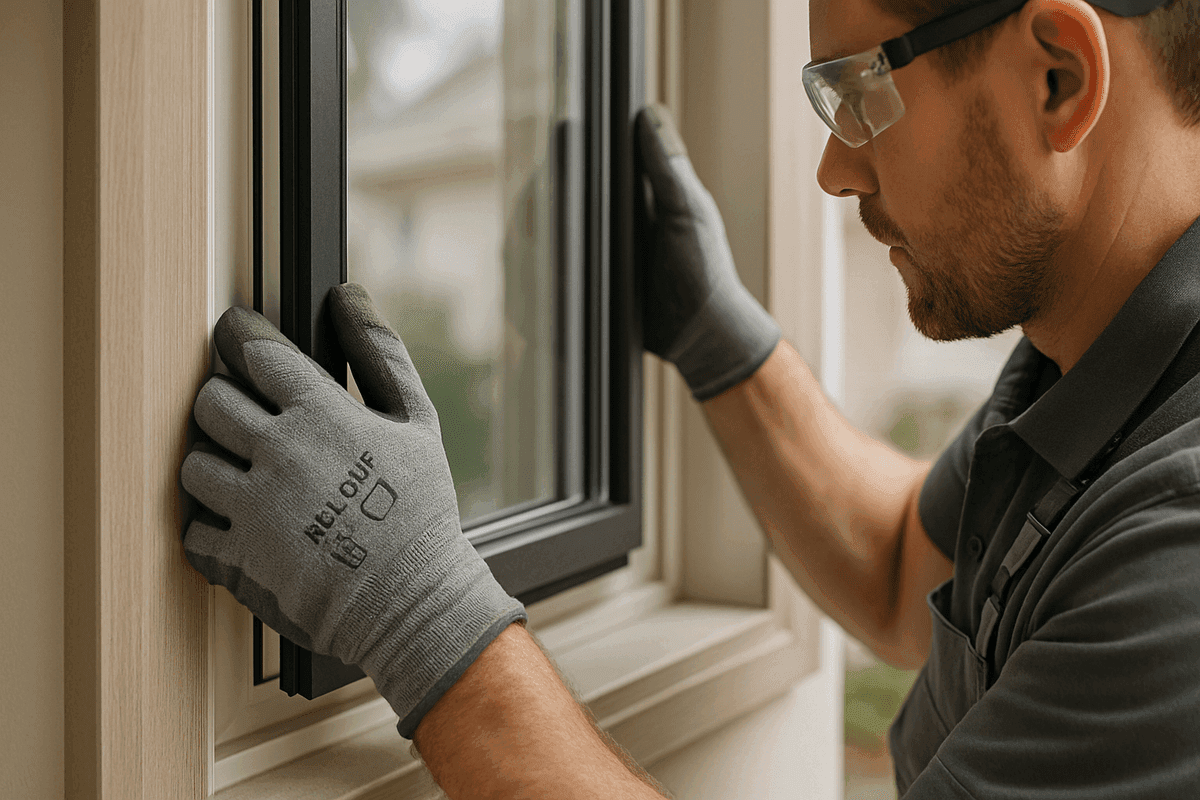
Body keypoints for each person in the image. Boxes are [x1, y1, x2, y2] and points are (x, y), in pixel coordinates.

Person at [179, 0, 1200, 794]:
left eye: (860, 91)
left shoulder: (1178, 548)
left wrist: (418, 608)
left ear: (1058, 75)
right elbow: (902, 569)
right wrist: (720, 341)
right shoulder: (1098, 369)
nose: (837, 168)